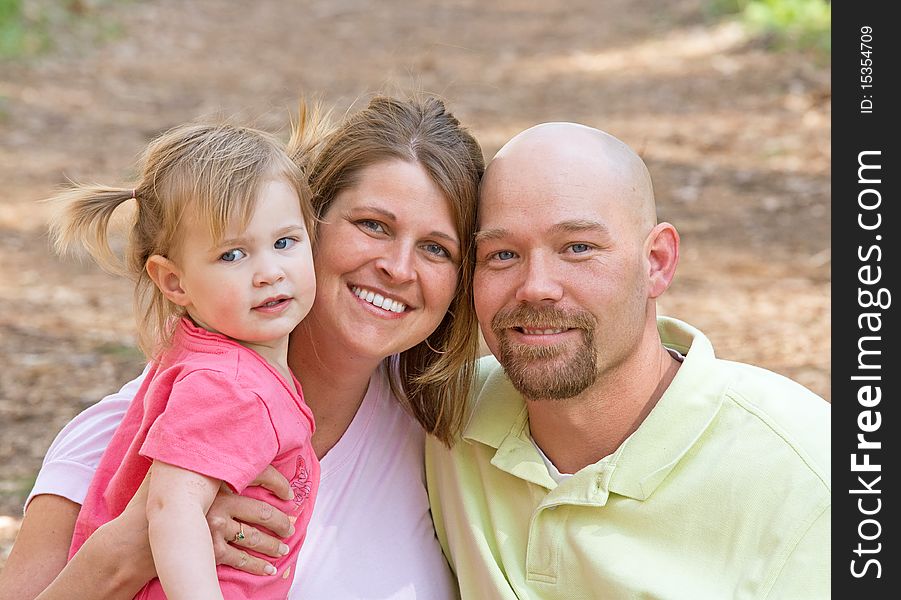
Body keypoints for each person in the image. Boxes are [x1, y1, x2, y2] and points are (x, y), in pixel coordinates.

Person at [1, 95, 483, 600]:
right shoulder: (122, 433)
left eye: (436, 248)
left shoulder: (445, 430)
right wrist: (129, 549)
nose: (399, 268)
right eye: (372, 225)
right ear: (309, 218)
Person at [425, 123, 831, 599]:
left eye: (578, 248)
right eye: (502, 254)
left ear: (657, 261)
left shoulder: (806, 478)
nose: (536, 285)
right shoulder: (439, 417)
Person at [46, 121, 320, 599]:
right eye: (233, 254)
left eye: (284, 242)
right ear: (174, 282)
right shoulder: (228, 383)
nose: (269, 273)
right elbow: (172, 507)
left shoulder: (210, 353)